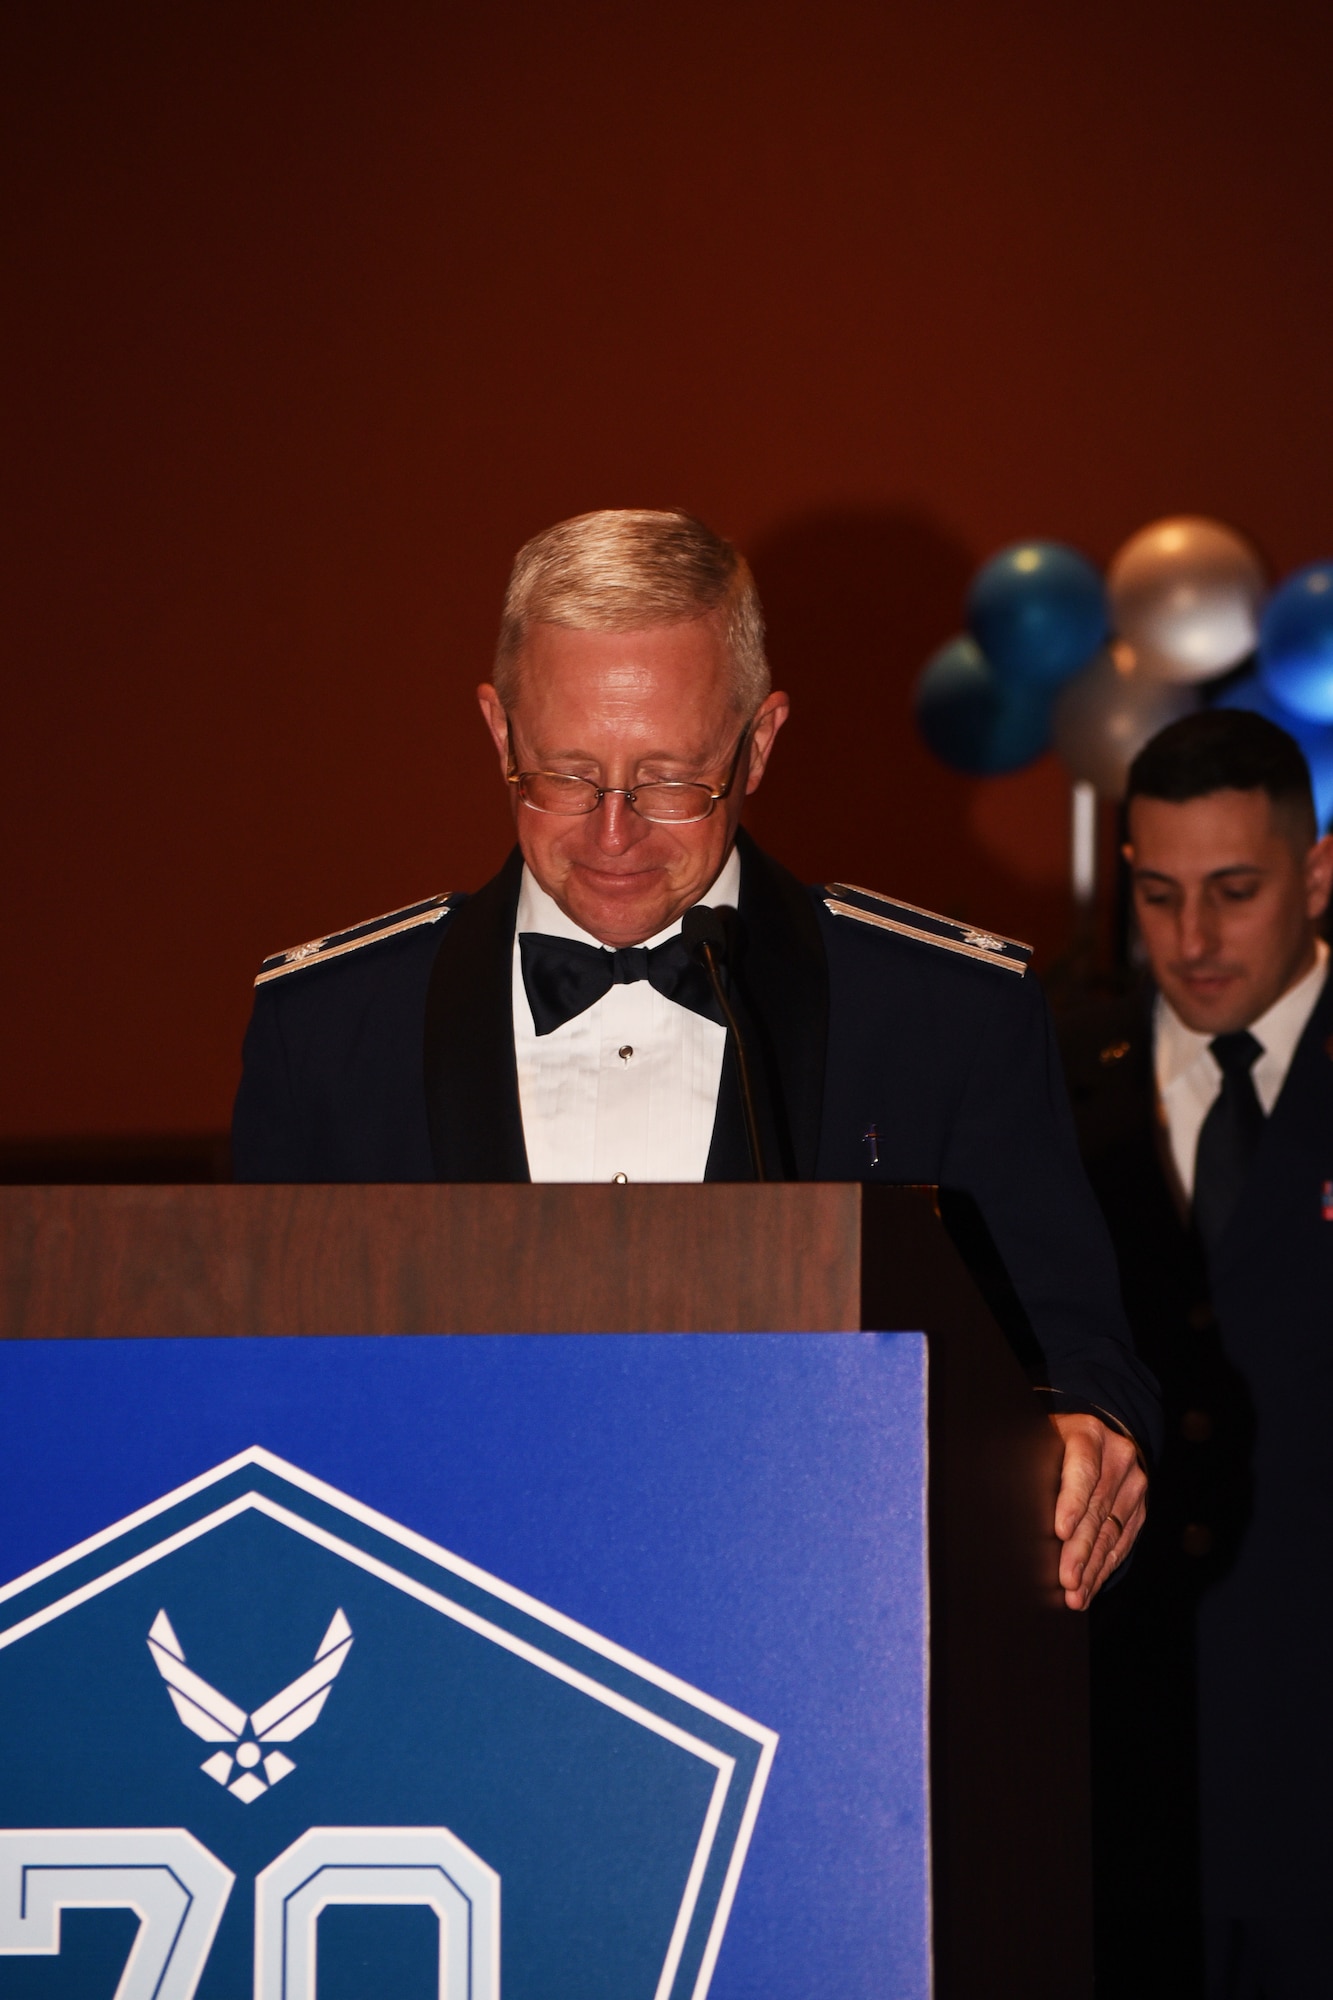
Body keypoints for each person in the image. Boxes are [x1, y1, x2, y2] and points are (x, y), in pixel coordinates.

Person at [233, 506, 1159, 1609]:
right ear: (497, 731)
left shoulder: (945, 1017)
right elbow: (241, 1393)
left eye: (671, 779)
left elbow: (1075, 1348)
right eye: (567, 774)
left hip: (818, 1629)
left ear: (759, 742)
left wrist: (1086, 1428)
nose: (612, 833)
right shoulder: (329, 1031)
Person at [1057, 708, 1333, 1999]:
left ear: (1315, 872)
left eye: (1234, 891)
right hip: (1118, 1781)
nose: (1194, 940)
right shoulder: (1051, 1083)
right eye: (1159, 894)